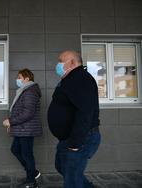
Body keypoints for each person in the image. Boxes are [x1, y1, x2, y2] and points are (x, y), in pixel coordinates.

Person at [47, 51, 101, 188]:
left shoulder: (81, 78)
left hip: (80, 138)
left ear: (72, 62)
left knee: (72, 179)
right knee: (62, 166)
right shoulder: (70, 79)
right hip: (68, 138)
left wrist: (76, 143)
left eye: (61, 60)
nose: (58, 64)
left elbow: (85, 112)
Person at [3, 69, 42, 188]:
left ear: (27, 79)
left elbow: (28, 113)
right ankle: (33, 173)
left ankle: (31, 181)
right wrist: (12, 124)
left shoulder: (29, 92)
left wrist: (10, 121)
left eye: (19, 77)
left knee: (27, 154)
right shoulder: (24, 91)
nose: (18, 79)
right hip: (22, 128)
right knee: (16, 149)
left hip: (26, 129)